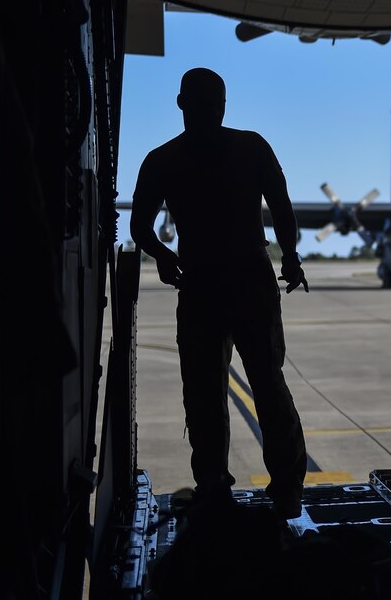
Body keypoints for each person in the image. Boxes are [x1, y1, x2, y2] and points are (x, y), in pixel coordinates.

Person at [130, 68, 309, 519]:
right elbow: (282, 206)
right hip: (250, 279)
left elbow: (139, 228)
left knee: (205, 392)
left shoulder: (163, 159)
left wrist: (164, 256)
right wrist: (290, 257)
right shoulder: (252, 147)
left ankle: (213, 486)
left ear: (179, 103)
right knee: (268, 384)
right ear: (220, 104)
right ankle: (286, 490)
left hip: (202, 285)